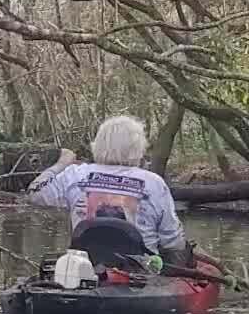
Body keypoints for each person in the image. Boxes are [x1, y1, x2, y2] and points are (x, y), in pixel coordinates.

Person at [28, 115, 191, 268]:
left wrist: (61, 163)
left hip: (85, 268)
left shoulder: (75, 175)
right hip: (140, 271)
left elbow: (35, 194)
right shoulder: (153, 183)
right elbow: (173, 242)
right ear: (138, 148)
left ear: (98, 145)